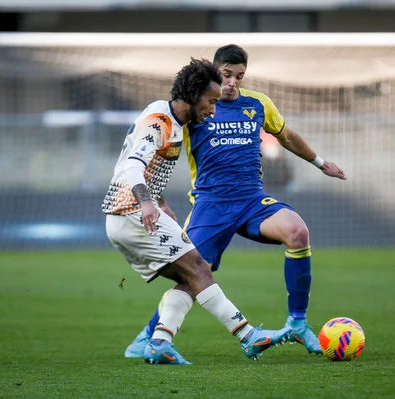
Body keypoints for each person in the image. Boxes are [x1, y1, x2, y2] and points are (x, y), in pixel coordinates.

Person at [124, 45, 346, 359]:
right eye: (226, 75)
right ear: (213, 73)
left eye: (238, 76)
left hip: (253, 201)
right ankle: (147, 339)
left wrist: (320, 162)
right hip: (211, 205)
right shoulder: (199, 105)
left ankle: (297, 322)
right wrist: (151, 191)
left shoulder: (258, 103)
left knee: (298, 232)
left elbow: (285, 136)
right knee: (194, 275)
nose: (232, 82)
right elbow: (163, 135)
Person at [104, 58, 291, 365]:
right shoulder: (159, 122)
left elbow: (149, 168)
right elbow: (133, 166)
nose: (213, 110)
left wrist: (160, 201)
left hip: (126, 218)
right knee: (200, 268)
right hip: (132, 215)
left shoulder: (173, 121)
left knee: (193, 275)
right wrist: (148, 203)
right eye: (210, 102)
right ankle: (247, 336)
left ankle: (159, 341)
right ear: (192, 95)